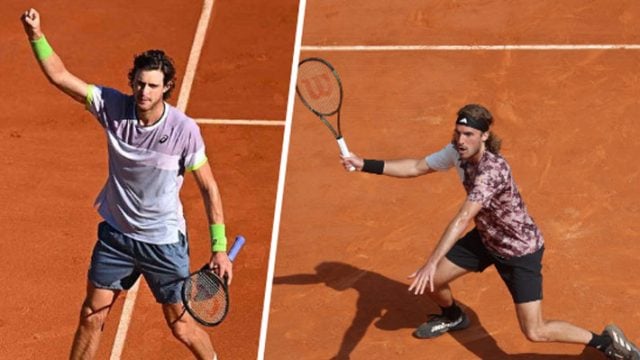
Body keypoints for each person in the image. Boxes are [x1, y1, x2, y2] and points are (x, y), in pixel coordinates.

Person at [341, 103, 640, 359]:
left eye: (469, 135)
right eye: (458, 133)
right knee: (432, 283)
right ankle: (454, 316)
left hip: (519, 250)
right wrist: (364, 163)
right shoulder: (456, 152)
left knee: (535, 331)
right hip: (486, 239)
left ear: (484, 136)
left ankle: (606, 342)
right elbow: (417, 166)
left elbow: (461, 220)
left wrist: (431, 261)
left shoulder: (491, 171)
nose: (461, 140)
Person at [21, 8, 231, 360]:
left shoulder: (184, 131)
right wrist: (35, 34)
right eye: (139, 82)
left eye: (152, 85)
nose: (143, 91)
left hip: (162, 243)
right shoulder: (112, 106)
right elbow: (60, 76)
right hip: (117, 237)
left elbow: (209, 187)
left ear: (166, 88)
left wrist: (219, 247)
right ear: (131, 80)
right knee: (92, 315)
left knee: (180, 325)